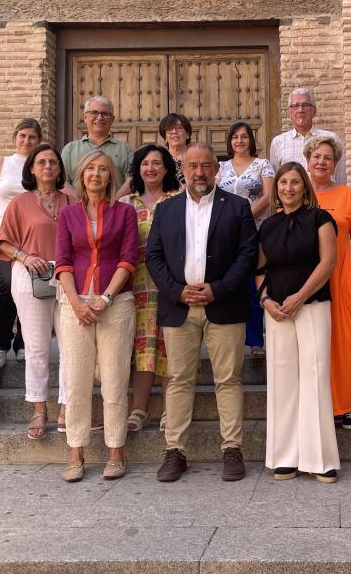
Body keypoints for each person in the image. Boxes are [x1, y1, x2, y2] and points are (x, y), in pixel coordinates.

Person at [146, 143, 258, 482]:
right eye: (192, 166)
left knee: (228, 379)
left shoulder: (238, 207)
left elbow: (247, 255)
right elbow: (153, 257)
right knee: (179, 380)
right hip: (179, 307)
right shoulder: (166, 210)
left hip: (224, 305)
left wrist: (218, 289)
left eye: (206, 166)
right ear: (183, 170)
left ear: (217, 169)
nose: (199, 172)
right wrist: (177, 290)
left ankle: (232, 450)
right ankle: (175, 452)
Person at [54, 150, 139, 482]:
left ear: (111, 176)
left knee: (115, 379)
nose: (96, 174)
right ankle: (76, 452)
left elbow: (128, 259)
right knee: (76, 380)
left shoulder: (125, 213)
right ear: (81, 174)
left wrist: (105, 298)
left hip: (115, 303)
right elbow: (61, 261)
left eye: (103, 169)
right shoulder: (68, 215)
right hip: (74, 304)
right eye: (91, 168)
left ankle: (116, 451)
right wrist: (76, 303)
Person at [257, 162, 340, 482]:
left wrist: (300, 297)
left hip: (313, 304)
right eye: (282, 183)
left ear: (305, 187)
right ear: (276, 188)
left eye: (294, 183)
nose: (288, 188)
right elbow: (260, 269)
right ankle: (285, 456)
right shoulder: (268, 226)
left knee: (314, 376)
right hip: (276, 309)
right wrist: (266, 301)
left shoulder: (321, 219)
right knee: (282, 380)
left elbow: (328, 262)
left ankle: (320, 459)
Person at [0, 143, 74, 440]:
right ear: (31, 169)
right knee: (37, 347)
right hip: (30, 276)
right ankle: (39, 409)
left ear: (60, 168)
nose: (48, 167)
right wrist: (26, 257)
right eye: (41, 162)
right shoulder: (20, 203)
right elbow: (2, 242)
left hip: (67, 278)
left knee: (72, 347)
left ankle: (68, 407)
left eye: (53, 162)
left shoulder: (71, 202)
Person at [304, 136, 351, 429]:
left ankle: (346, 406)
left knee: (343, 342)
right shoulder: (298, 195)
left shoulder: (346, 195)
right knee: (313, 342)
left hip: (340, 277)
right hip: (305, 279)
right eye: (316, 156)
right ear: (308, 159)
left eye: (327, 158)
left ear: (335, 164)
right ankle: (317, 403)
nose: (321, 162)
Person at [118, 144, 180, 433]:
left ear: (167, 168)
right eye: (145, 163)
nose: (151, 168)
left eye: (157, 163)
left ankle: (170, 410)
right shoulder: (127, 203)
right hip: (137, 285)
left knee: (169, 347)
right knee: (142, 346)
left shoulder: (177, 200)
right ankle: (139, 409)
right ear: (137, 170)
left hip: (171, 284)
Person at [0, 117, 41, 369]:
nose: (26, 141)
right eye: (22, 135)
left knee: (29, 288)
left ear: (39, 141)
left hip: (31, 233)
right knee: (7, 286)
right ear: (14, 138)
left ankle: (23, 342)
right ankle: (1, 344)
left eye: (32, 137)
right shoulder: (0, 164)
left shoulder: (41, 164)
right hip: (3, 232)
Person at [217, 121, 275, 359]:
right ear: (230, 141)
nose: (239, 141)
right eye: (235, 137)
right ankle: (226, 341)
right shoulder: (220, 167)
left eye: (244, 137)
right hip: (224, 234)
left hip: (255, 232)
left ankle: (255, 341)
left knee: (253, 284)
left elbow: (270, 196)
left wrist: (242, 217)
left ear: (251, 140)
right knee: (228, 284)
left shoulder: (263, 165)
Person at [269, 87, 346, 183]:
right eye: (295, 106)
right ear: (289, 112)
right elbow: (276, 180)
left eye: (305, 105)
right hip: (292, 197)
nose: (300, 110)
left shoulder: (331, 138)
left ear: (314, 111)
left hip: (325, 196)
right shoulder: (278, 142)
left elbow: (340, 179)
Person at [60, 95, 133, 189]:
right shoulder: (70, 149)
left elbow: (131, 180)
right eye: (94, 113)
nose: (99, 118)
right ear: (85, 117)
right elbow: (62, 181)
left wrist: (114, 202)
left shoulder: (125, 149)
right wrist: (78, 203)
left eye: (105, 114)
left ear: (112, 119)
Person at [157, 112, 192, 188]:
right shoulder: (160, 159)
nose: (174, 132)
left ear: (188, 134)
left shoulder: (196, 158)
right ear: (165, 137)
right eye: (169, 129)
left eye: (179, 128)